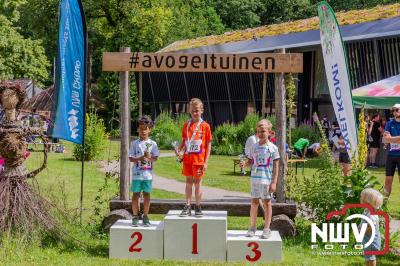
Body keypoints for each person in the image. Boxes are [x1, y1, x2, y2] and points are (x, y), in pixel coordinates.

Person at [240, 119, 279, 239]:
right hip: (255, 180)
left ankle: (267, 228)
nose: (261, 134)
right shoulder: (254, 146)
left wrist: (274, 183)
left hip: (266, 181)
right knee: (254, 203)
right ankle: (252, 227)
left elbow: (276, 167)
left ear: (269, 132)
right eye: (258, 131)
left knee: (267, 203)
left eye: (263, 131)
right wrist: (245, 164)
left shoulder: (273, 148)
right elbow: (252, 161)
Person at [175, 98, 212, 217]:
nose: (194, 113)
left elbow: (208, 145)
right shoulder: (186, 125)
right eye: (192, 111)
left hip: (199, 161)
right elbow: (184, 140)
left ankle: (198, 206)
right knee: (188, 182)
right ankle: (187, 205)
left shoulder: (205, 126)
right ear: (189, 111)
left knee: (198, 183)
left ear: (201, 110)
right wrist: (179, 149)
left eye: (197, 110)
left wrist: (206, 162)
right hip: (187, 160)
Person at [129, 116, 160, 226]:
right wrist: (140, 158)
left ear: (149, 129)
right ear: (137, 129)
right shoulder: (134, 143)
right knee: (135, 195)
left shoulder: (153, 144)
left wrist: (149, 157)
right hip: (137, 175)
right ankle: (135, 216)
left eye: (145, 128)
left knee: (147, 195)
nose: (143, 131)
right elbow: (130, 158)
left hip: (147, 175)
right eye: (141, 128)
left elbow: (155, 158)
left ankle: (145, 216)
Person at [359, 188, 383, 266]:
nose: (360, 199)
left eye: (361, 197)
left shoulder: (371, 214)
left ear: (367, 201)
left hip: (372, 242)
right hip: (367, 240)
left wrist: (362, 231)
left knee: (371, 258)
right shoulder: (366, 211)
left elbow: (371, 227)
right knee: (368, 258)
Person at [382, 104, 400, 197]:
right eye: (393, 110)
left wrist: (390, 138)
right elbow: (385, 139)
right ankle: (383, 206)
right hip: (391, 155)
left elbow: (389, 139)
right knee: (388, 181)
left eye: (396, 110)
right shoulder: (390, 123)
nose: (394, 112)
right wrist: (395, 139)